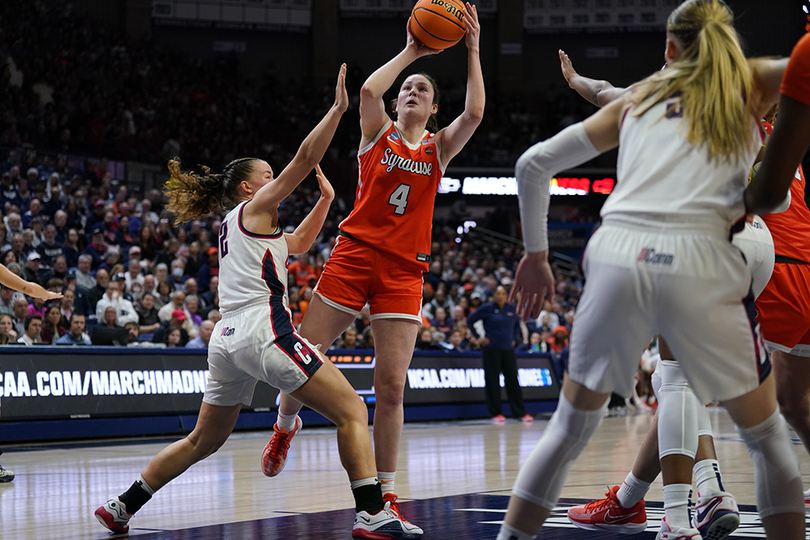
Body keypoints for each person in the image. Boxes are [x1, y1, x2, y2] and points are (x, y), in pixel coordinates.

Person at [497, 2, 802, 540]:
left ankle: (678, 511)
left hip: (620, 252)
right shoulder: (751, 83)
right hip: (730, 246)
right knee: (768, 440)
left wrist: (537, 256)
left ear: (668, 50)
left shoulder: (644, 95)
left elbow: (533, 163)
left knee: (573, 427)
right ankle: (696, 498)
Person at [94, 65, 416, 540]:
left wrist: (326, 200)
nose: (273, 178)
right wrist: (337, 110)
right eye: (266, 175)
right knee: (351, 409)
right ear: (249, 187)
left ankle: (122, 505)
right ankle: (371, 510)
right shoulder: (255, 207)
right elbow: (306, 157)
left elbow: (300, 243)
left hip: (227, 340)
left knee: (202, 440)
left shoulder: (242, 226)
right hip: (265, 332)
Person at [556, 38, 783, 537]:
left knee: (675, 378)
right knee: (676, 379)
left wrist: (577, 83)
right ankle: (703, 486)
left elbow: (606, 93)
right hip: (758, 245)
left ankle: (678, 518)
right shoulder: (742, 97)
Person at [269, 8, 484, 531]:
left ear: (434, 109)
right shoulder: (377, 133)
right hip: (355, 255)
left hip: (404, 272)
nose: (410, 92)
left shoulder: (439, 148)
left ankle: (385, 500)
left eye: (422, 91)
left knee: (391, 386)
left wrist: (473, 50)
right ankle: (284, 423)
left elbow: (475, 112)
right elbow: (368, 92)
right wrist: (414, 51)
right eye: (407, 88)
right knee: (304, 356)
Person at [744, 33, 810, 502]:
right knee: (793, 402)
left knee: (683, 381)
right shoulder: (786, 142)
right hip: (806, 273)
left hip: (779, 274)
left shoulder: (753, 138)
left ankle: (637, 498)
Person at [467, 285, 531, 425]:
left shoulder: (512, 309)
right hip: (491, 349)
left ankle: (520, 412)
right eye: (498, 293)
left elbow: (516, 325)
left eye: (502, 293)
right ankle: (496, 413)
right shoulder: (487, 308)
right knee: (492, 381)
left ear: (507, 295)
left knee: (513, 380)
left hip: (508, 349)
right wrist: (478, 337)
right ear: (494, 295)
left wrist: (513, 338)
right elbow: (470, 320)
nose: (500, 296)